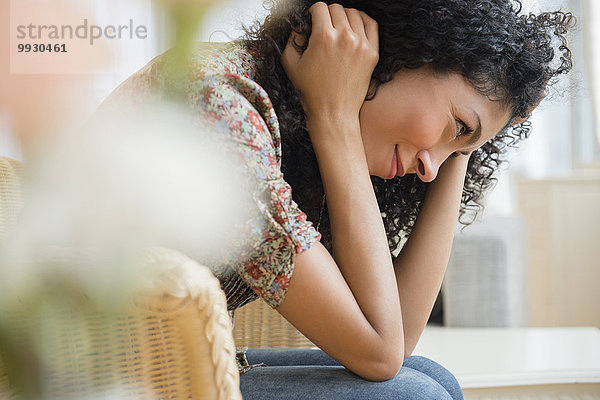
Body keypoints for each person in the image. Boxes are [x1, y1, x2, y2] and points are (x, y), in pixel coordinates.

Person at [97, 0, 574, 398]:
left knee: (430, 377)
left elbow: (399, 336)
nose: (433, 168)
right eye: (458, 126)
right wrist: (336, 118)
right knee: (412, 395)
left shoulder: (294, 126)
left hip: (168, 359)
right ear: (404, 52)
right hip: (89, 377)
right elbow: (380, 352)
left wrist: (472, 145)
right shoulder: (223, 106)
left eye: (457, 150)